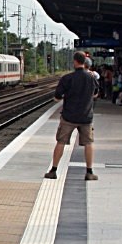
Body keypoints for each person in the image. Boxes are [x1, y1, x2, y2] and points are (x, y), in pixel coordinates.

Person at [46, 51, 99, 181]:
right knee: (88, 143)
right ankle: (89, 172)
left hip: (68, 116)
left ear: (74, 61)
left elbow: (57, 98)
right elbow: (96, 94)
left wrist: (65, 96)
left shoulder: (67, 78)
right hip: (86, 117)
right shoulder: (91, 78)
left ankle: (53, 170)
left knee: (61, 142)